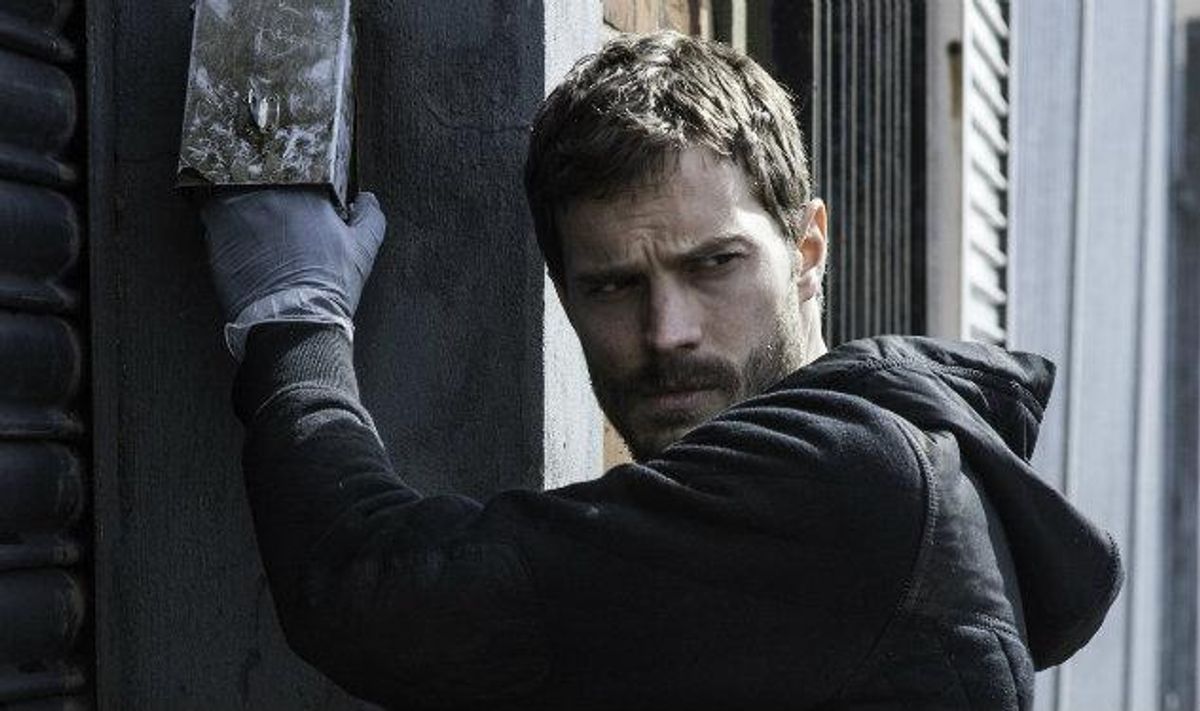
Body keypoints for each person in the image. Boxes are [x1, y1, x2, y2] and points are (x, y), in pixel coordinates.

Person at [200, 31, 1121, 710]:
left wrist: (294, 320)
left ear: (808, 250)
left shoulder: (849, 484)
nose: (665, 332)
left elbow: (380, 595)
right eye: (612, 284)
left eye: (713, 264)